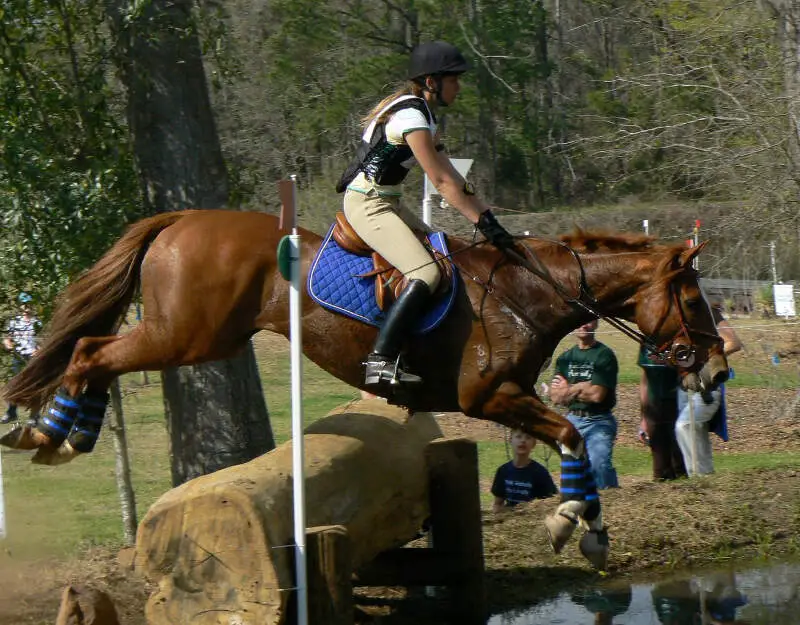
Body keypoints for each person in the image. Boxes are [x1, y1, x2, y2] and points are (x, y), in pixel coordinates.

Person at [336, 40, 516, 390]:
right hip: (368, 203)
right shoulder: (412, 117)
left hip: (388, 201)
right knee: (427, 272)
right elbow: (442, 180)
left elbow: (454, 178)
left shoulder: (422, 115)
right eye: (454, 80)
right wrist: (482, 222)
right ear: (432, 82)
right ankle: (381, 359)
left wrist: (488, 218)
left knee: (443, 251)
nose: (459, 87)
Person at [549, 319, 620, 489]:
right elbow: (556, 397)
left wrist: (570, 389)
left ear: (596, 323)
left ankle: (610, 500)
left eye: (588, 321)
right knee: (572, 471)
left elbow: (597, 395)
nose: (583, 324)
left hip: (599, 420)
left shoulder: (604, 355)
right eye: (579, 321)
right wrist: (583, 386)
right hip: (573, 420)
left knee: (599, 465)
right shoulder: (564, 359)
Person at [675, 303, 742, 476]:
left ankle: (698, 478)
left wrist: (704, 360)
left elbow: (733, 342)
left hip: (708, 385)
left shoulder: (709, 314)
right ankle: (706, 477)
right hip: (685, 385)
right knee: (697, 430)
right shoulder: (675, 316)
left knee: (685, 425)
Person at [638, 345, 688, 481]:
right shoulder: (645, 344)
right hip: (654, 407)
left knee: (679, 463)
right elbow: (645, 381)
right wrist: (643, 418)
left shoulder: (678, 341)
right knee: (660, 470)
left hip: (677, 406)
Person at [491, 428, 557, 511]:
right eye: (518, 437)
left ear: (534, 443)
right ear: (510, 440)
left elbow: (549, 504)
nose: (523, 440)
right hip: (508, 519)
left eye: (528, 437)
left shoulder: (540, 473)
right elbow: (497, 504)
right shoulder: (503, 471)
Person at [2, 292, 42, 425]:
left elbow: (43, 340)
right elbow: (7, 338)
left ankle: (34, 416)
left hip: (33, 358)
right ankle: (11, 413)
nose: (27, 307)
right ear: (20, 306)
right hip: (18, 357)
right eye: (24, 304)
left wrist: (39, 350)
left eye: (29, 304)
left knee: (35, 387)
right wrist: (8, 344)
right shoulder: (14, 322)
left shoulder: (37, 323)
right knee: (15, 386)